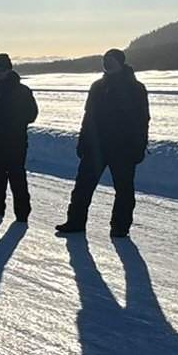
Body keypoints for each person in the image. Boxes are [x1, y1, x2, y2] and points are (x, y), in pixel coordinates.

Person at [56, 49, 150, 238]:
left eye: (112, 60)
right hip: (96, 147)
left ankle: (120, 227)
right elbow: (88, 116)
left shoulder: (135, 87)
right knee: (82, 186)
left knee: (124, 189)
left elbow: (142, 120)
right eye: (105, 60)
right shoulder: (98, 86)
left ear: (120, 63)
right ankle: (75, 222)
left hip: (123, 149)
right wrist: (83, 141)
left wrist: (139, 146)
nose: (108, 64)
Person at [0, 54, 39, 221]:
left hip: (15, 139)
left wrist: (13, 123)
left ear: (9, 70)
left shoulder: (21, 91)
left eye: (2, 70)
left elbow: (31, 114)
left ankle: (22, 212)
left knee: (16, 174)